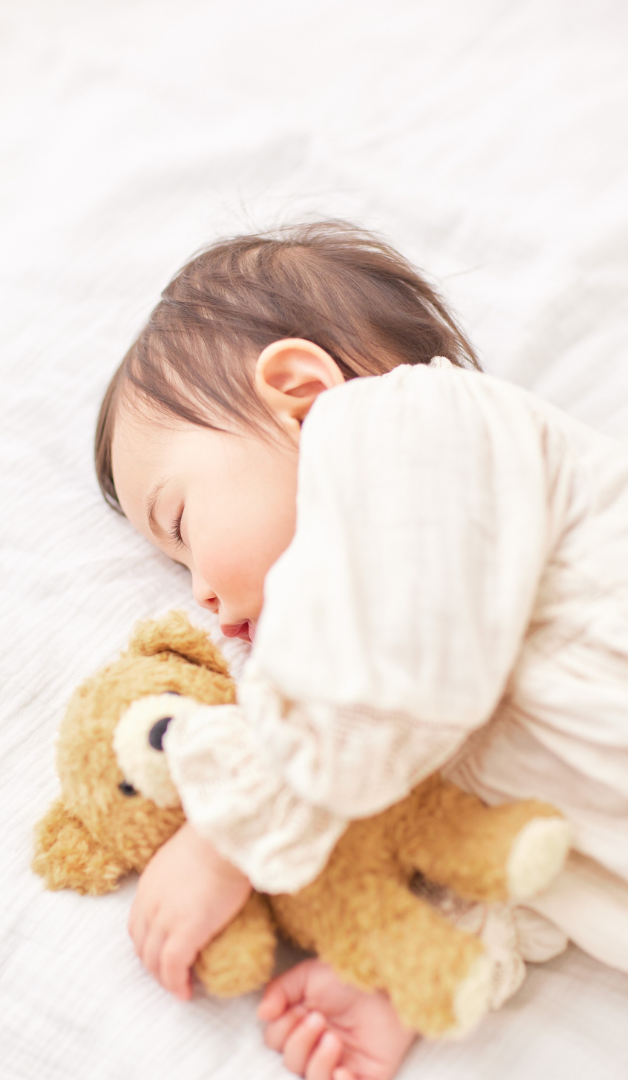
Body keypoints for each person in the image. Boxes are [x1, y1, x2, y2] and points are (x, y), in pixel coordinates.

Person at [96, 221, 628, 1080]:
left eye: (183, 524)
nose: (196, 592)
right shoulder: (388, 734)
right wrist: (410, 974)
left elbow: (393, 671)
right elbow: (528, 846)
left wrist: (230, 832)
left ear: (299, 389)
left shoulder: (409, 420)